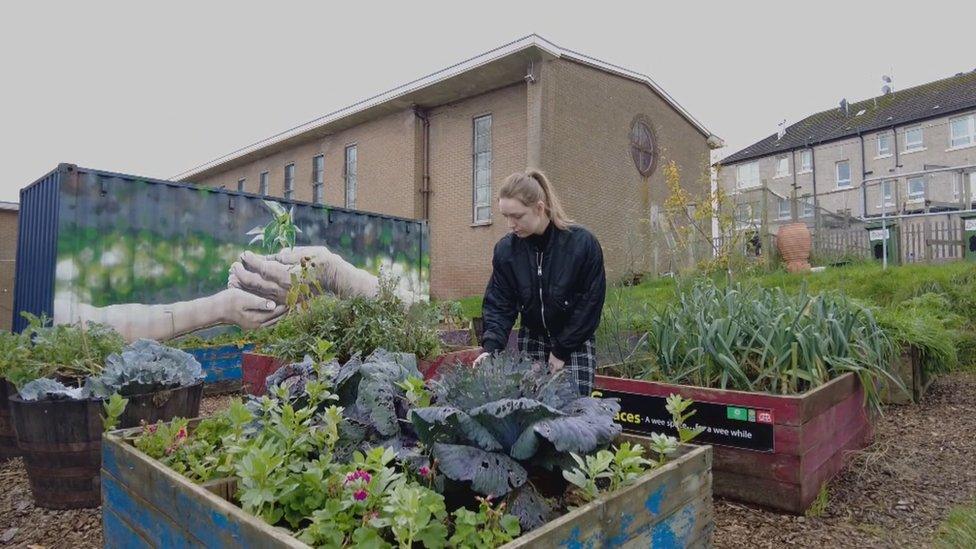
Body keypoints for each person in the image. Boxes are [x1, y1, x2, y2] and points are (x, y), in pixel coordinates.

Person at [475, 170, 607, 395]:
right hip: (532, 341)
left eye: (517, 216)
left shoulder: (582, 245)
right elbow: (499, 304)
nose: (510, 224)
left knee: (574, 416)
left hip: (574, 341)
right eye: (505, 216)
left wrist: (561, 350)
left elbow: (590, 305)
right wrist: (490, 349)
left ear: (539, 207)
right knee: (532, 417)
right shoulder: (506, 251)